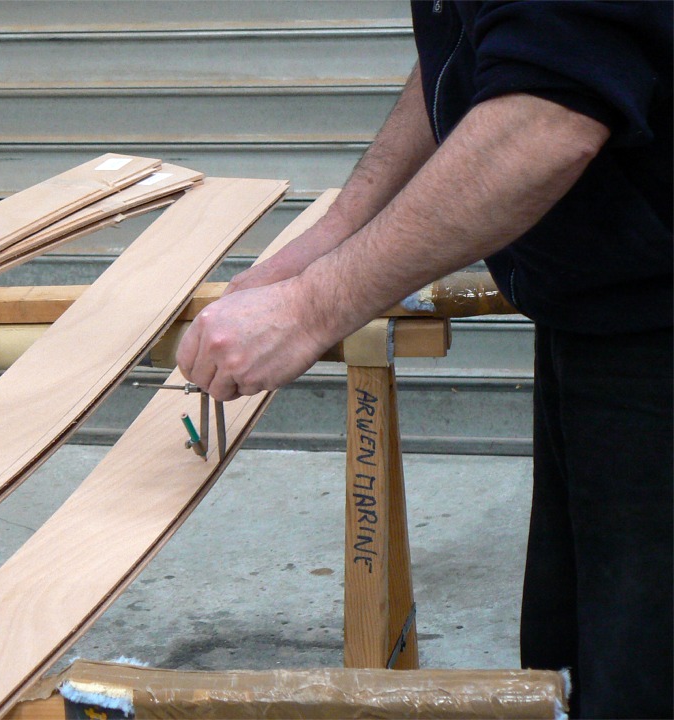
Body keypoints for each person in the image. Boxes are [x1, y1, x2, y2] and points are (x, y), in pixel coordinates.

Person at [176, 2, 672, 718]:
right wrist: (336, 234)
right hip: (603, 310)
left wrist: (314, 307)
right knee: (583, 661)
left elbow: (546, 118)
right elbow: (479, 46)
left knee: (641, 679)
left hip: (654, 325)